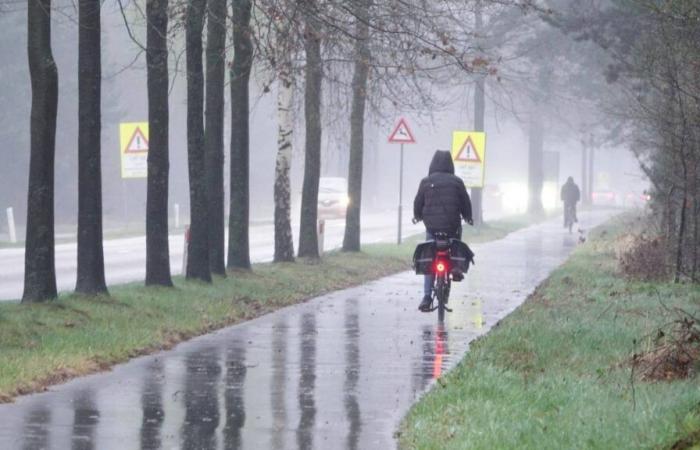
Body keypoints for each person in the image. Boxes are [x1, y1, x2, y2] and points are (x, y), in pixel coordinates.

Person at [413, 150, 473, 312]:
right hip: (452, 227)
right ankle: (455, 267)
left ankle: (426, 296)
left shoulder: (425, 182)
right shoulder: (457, 182)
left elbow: (418, 203)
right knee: (454, 244)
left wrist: (417, 216)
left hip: (432, 228)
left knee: (429, 258)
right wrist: (468, 217)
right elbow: (465, 203)